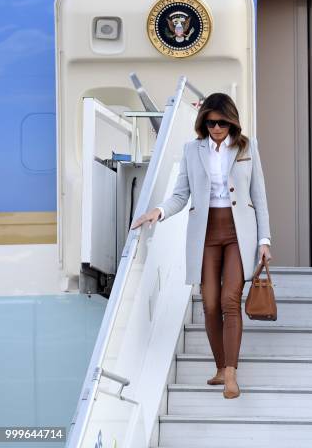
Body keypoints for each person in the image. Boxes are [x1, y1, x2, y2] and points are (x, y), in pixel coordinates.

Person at [132, 93, 272, 398]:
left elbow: (258, 196)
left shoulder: (247, 147)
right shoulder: (191, 150)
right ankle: (220, 368)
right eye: (211, 122)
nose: (216, 128)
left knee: (229, 300)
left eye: (222, 122)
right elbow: (181, 195)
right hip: (206, 233)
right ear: (203, 122)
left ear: (232, 121)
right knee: (209, 303)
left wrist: (264, 240)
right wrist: (159, 211)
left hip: (239, 233)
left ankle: (232, 374)